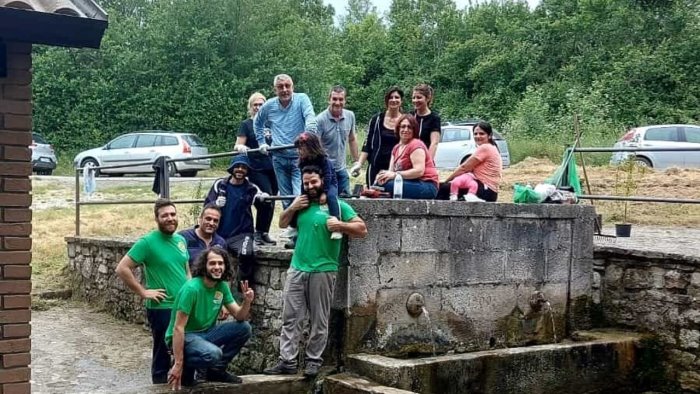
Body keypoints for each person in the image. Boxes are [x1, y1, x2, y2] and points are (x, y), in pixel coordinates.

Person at [264, 165, 367, 378]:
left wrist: (340, 225)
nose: (310, 186)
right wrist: (292, 207)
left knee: (319, 319)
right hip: (297, 267)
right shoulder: (301, 205)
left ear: (323, 182)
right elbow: (283, 224)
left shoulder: (337, 206)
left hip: (323, 270)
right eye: (306, 183)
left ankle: (313, 361)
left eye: (314, 182)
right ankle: (287, 361)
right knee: (291, 317)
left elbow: (362, 229)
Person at [115, 199, 190, 385]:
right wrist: (143, 292)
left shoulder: (181, 240)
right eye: (165, 215)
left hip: (183, 306)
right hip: (162, 307)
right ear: (157, 218)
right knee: (163, 353)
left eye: (173, 214)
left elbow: (185, 269)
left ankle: (182, 386)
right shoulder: (147, 242)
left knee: (184, 351)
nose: (170, 218)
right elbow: (122, 268)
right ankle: (158, 386)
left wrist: (191, 292)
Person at [165, 246, 254, 389]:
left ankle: (216, 371)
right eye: (212, 263)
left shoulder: (221, 286)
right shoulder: (192, 289)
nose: (217, 267)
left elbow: (239, 316)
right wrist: (178, 363)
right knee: (213, 354)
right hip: (185, 335)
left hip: (206, 333)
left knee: (244, 328)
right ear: (204, 266)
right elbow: (178, 327)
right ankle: (185, 366)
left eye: (220, 263)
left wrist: (247, 301)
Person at [254, 74, 317, 211]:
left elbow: (310, 117)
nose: (284, 90)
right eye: (280, 87)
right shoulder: (269, 105)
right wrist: (261, 142)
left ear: (292, 87)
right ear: (274, 89)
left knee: (299, 195)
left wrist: (307, 136)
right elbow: (257, 122)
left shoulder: (302, 99)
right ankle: (291, 227)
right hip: (279, 157)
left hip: (298, 157)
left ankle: (301, 226)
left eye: (287, 86)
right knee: (285, 196)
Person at [204, 155, 266, 284]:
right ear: (232, 168)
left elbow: (263, 199)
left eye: (244, 167)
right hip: (220, 234)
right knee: (212, 258)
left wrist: (262, 199)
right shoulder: (220, 185)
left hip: (243, 234)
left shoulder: (251, 187)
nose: (240, 170)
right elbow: (206, 208)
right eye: (237, 166)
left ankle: (245, 289)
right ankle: (214, 291)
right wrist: (216, 203)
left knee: (246, 254)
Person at [234, 92, 278, 246]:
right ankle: (257, 233)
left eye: (261, 104)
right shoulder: (247, 124)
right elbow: (238, 144)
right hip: (256, 168)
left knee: (272, 200)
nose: (258, 107)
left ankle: (264, 232)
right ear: (250, 107)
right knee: (264, 199)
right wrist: (241, 147)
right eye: (255, 105)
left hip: (274, 167)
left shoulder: (271, 123)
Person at [290, 132, 342, 242]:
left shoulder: (323, 160)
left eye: (302, 149)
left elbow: (328, 176)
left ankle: (336, 223)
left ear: (311, 148)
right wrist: (303, 194)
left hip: (329, 184)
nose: (299, 152)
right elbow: (303, 180)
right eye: (298, 149)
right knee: (299, 202)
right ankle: (294, 226)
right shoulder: (303, 162)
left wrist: (324, 192)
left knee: (332, 197)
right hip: (310, 184)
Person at [375, 114, 439, 199]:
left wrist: (395, 175)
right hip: (409, 183)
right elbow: (391, 172)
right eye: (403, 126)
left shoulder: (416, 144)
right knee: (381, 181)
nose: (406, 130)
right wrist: (383, 175)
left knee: (388, 185)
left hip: (426, 185)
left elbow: (419, 171)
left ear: (414, 130)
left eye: (409, 127)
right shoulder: (396, 148)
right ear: (398, 128)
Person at [352, 86, 403, 187]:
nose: (394, 100)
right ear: (386, 100)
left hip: (396, 170)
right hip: (376, 168)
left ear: (401, 100)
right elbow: (367, 144)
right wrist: (359, 164)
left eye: (397, 97)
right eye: (390, 97)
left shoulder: (405, 121)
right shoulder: (376, 120)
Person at [441, 121, 502, 202]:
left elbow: (464, 168)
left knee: (441, 189)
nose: (478, 136)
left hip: (484, 190)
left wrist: (446, 181)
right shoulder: (492, 147)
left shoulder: (485, 147)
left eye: (481, 133)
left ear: (490, 135)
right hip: (490, 192)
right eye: (475, 134)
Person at [314, 85, 359, 196]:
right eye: (334, 99)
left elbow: (352, 139)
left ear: (345, 100)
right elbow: (316, 147)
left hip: (341, 168)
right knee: (329, 201)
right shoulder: (320, 120)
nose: (337, 103)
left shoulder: (350, 116)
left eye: (340, 99)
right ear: (329, 99)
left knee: (346, 200)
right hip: (325, 169)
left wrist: (356, 161)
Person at [179, 204, 226, 268]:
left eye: (215, 220)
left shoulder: (221, 242)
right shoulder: (183, 237)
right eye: (208, 219)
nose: (211, 223)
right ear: (200, 219)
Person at [410, 83, 441, 158]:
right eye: (413, 98)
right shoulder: (410, 116)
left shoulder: (434, 118)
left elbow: (434, 143)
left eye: (419, 97)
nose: (415, 100)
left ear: (428, 98)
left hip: (425, 158)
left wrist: (427, 162)